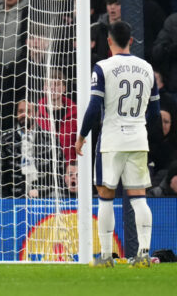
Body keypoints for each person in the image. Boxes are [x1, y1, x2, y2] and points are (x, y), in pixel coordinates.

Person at [76, 21, 160, 268]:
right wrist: (138, 126)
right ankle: (143, 254)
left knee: (105, 197)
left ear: (109, 41)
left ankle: (105, 257)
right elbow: (155, 112)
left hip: (112, 140)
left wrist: (81, 136)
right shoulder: (147, 68)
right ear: (131, 41)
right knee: (139, 198)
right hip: (138, 139)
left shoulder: (102, 67)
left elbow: (94, 108)